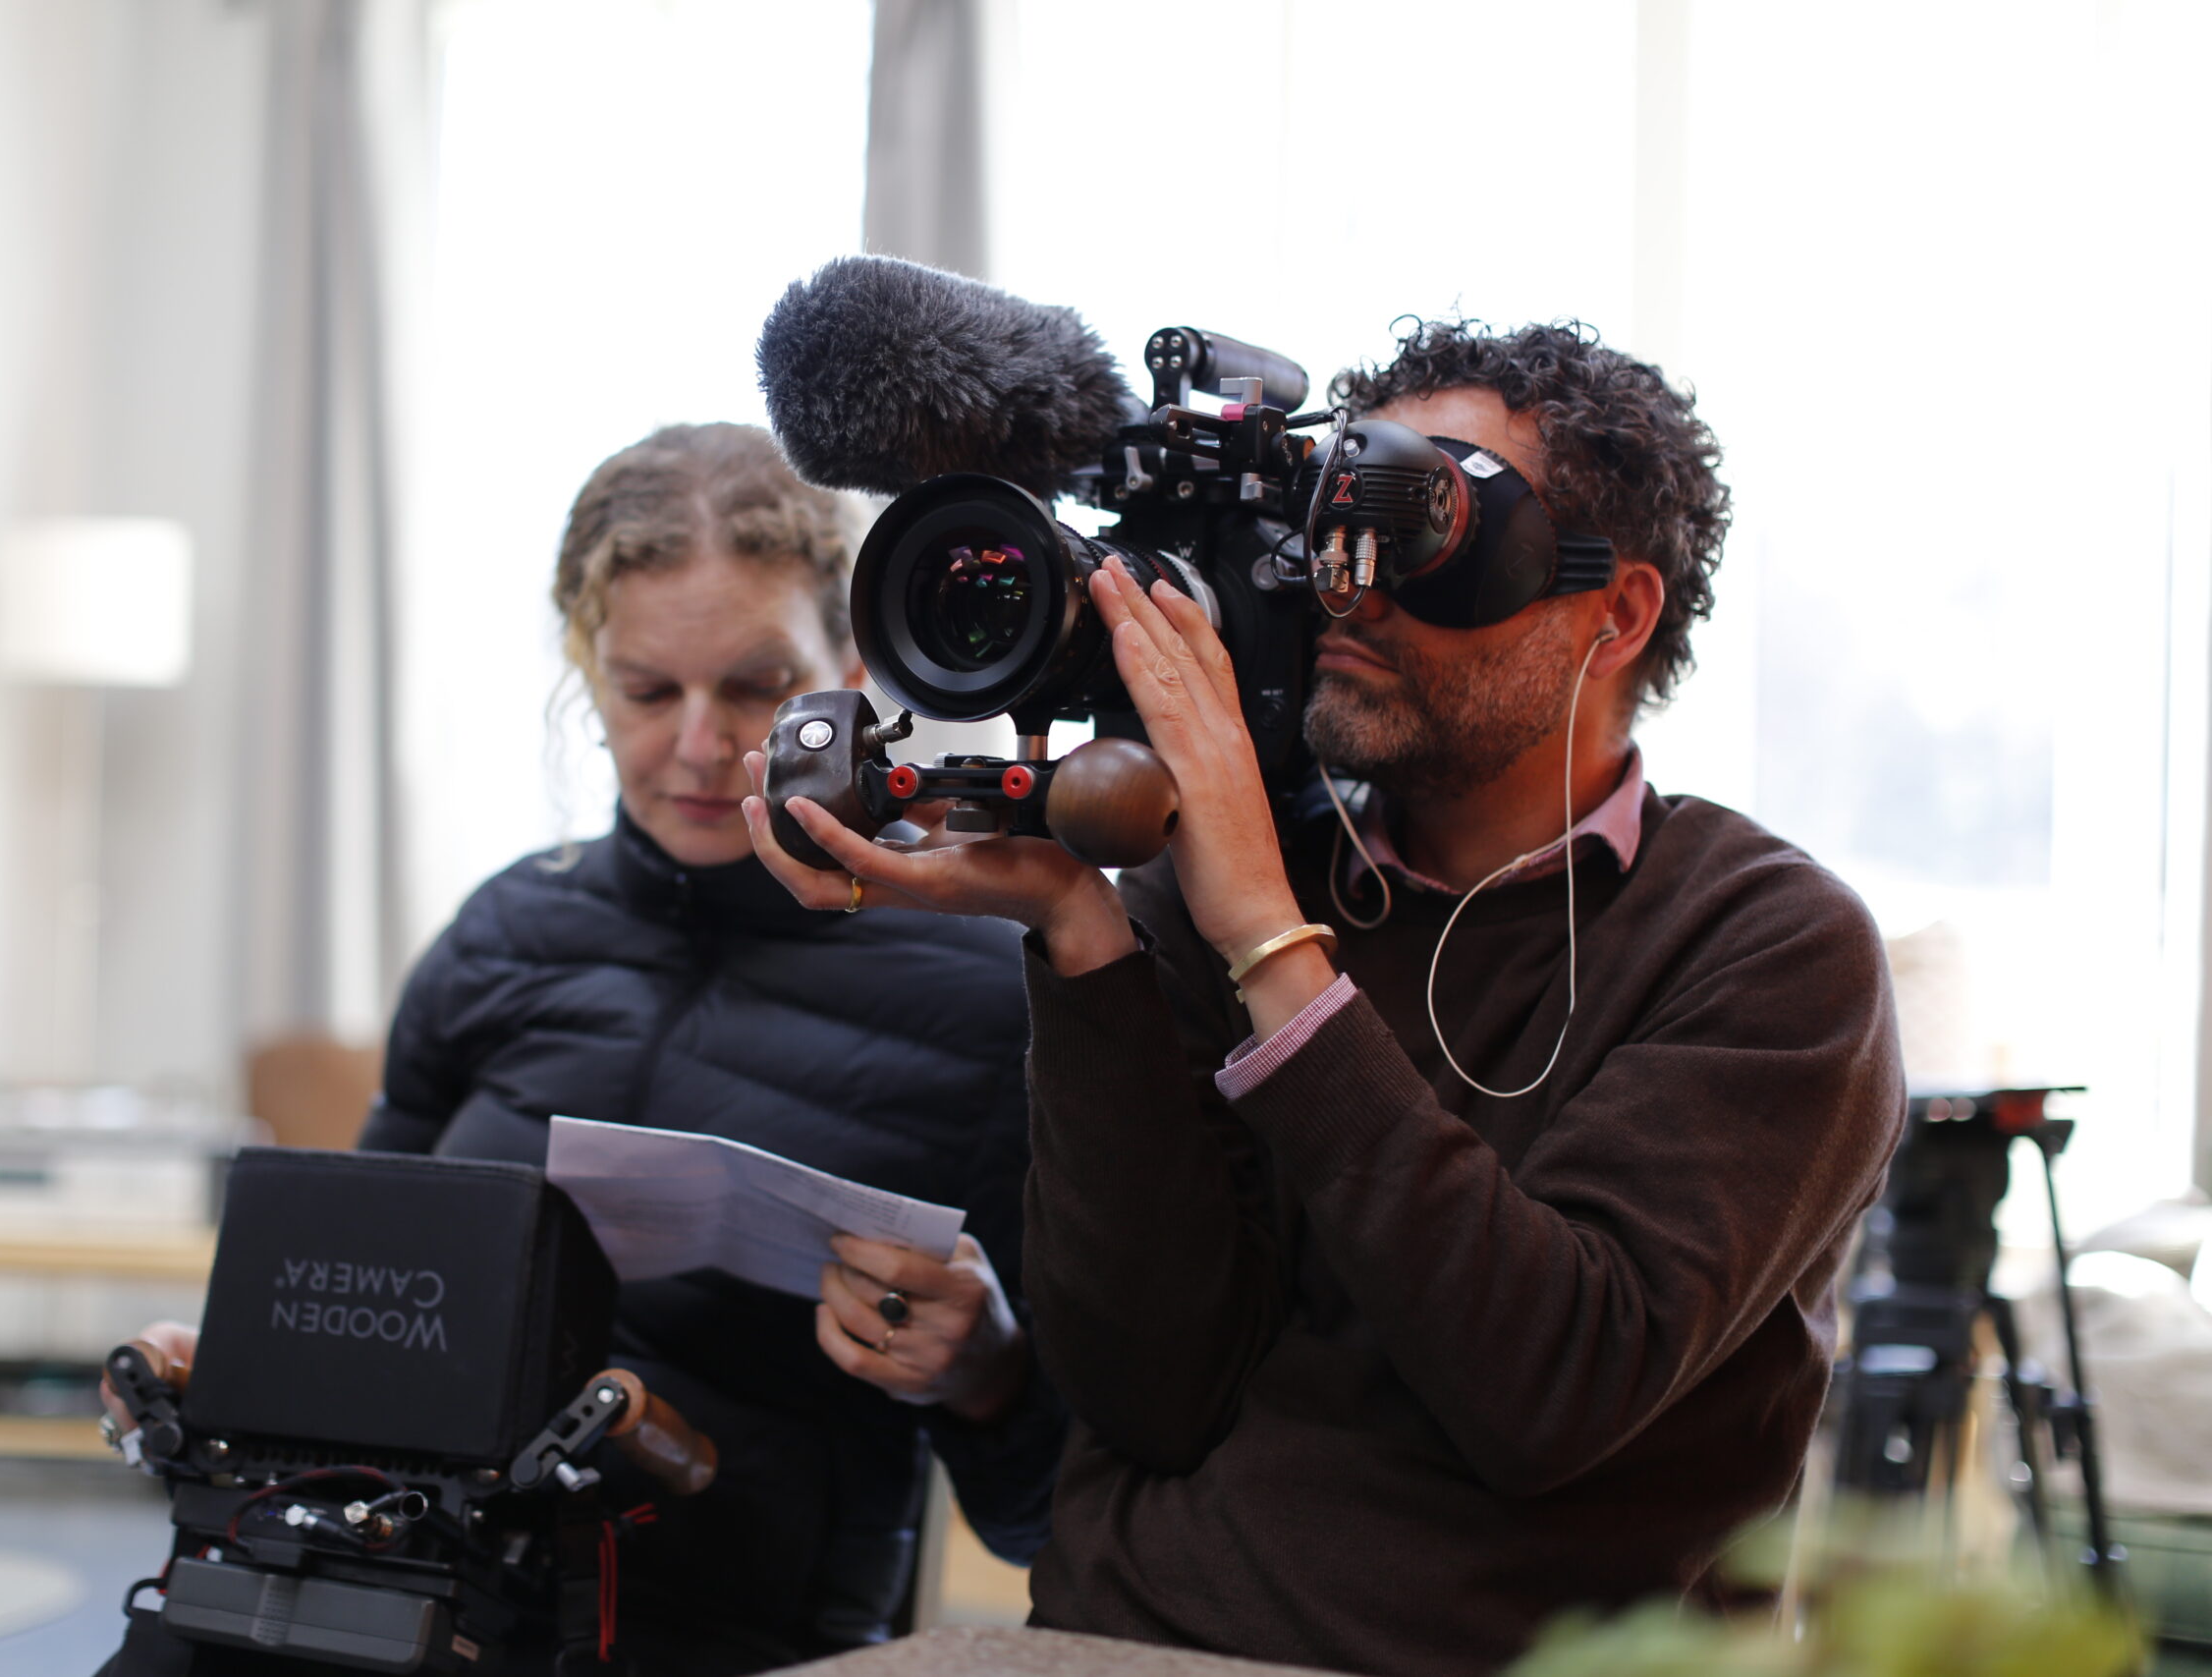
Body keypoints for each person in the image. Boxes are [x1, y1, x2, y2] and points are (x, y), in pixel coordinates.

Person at [746, 322, 1907, 1677]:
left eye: (1417, 526)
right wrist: (1083, 934)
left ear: (1618, 612)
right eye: (1330, 528)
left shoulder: (1768, 943)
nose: (1348, 591)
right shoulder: (1237, 868)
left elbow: (1543, 1387)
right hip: (1101, 1638)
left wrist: (1270, 941)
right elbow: (1148, 1393)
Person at [112, 423, 1064, 1676]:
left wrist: (986, 1375)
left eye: (756, 685)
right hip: (380, 1585)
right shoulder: (506, 930)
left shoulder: (993, 985)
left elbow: (1054, 1510)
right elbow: (344, 1308)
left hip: (716, 1622)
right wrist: (226, 1370)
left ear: (850, 662)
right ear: (587, 667)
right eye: (647, 690)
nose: (697, 746)